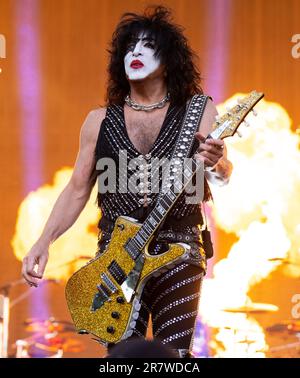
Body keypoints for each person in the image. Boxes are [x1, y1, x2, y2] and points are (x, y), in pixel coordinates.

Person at [22, 6, 232, 358]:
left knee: (174, 357)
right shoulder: (98, 120)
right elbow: (77, 189)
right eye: (129, 46)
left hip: (179, 252)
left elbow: (222, 175)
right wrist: (43, 242)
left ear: (168, 61)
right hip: (117, 257)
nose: (135, 52)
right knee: (120, 359)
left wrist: (216, 164)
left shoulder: (198, 111)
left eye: (148, 45)